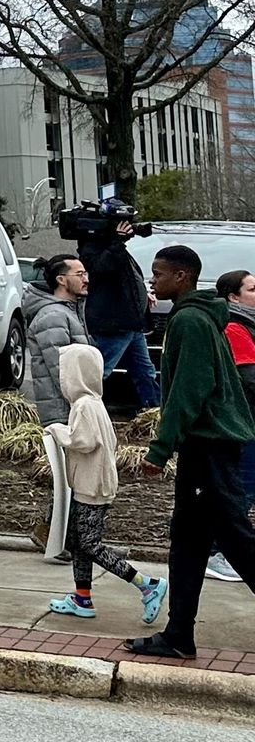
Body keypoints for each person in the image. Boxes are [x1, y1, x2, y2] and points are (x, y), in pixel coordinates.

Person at [125, 244, 255, 659]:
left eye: (159, 274)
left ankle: (179, 633)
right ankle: (179, 634)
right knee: (188, 543)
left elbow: (189, 389)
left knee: (237, 542)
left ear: (182, 277)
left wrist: (160, 449)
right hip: (208, 446)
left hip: (210, 447)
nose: (153, 280)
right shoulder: (200, 317)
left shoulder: (191, 320)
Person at [42, 343, 169, 623]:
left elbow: (83, 442)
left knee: (89, 544)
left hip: (91, 488)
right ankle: (82, 597)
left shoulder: (85, 406)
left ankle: (146, 585)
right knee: (77, 542)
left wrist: (57, 430)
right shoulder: (92, 403)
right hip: (92, 484)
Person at [79, 199, 161, 408]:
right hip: (113, 324)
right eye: (122, 222)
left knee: (146, 372)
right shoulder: (93, 246)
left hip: (132, 324)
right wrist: (117, 241)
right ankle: (82, 413)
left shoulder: (117, 249)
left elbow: (128, 279)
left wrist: (143, 294)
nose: (128, 226)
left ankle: (154, 413)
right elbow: (99, 270)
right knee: (99, 372)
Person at [214, 269, 255, 583]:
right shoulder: (234, 326)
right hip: (247, 422)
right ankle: (219, 553)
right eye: (253, 289)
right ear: (233, 296)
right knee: (243, 486)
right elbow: (247, 377)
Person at [24, 254, 92, 429]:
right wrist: (82, 404)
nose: (86, 280)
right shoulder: (53, 316)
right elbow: (61, 369)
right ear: (61, 280)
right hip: (64, 413)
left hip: (74, 409)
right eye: (80, 275)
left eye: (86, 274)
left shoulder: (69, 311)